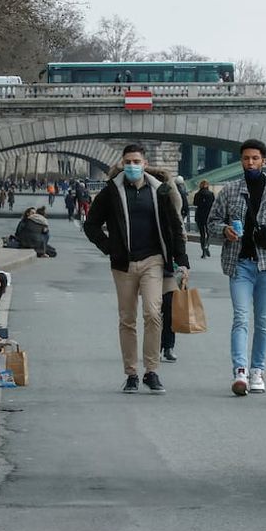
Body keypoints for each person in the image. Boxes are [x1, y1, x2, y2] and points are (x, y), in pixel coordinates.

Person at [84, 144, 190, 395]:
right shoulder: (111, 192)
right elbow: (91, 225)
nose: (132, 165)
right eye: (128, 161)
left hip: (153, 260)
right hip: (123, 264)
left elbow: (174, 226)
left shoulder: (160, 190)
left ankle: (151, 371)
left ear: (144, 164)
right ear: (122, 164)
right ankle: (131, 373)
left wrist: (182, 260)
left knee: (154, 314)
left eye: (136, 161)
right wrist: (110, 247)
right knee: (127, 319)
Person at [207, 139, 266, 396]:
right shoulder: (229, 191)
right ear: (241, 161)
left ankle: (258, 370)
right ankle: (240, 371)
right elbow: (212, 223)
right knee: (241, 318)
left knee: (264, 321)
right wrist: (224, 231)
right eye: (246, 158)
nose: (250, 162)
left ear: (264, 161)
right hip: (240, 264)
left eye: (255, 158)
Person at [193, 180, 215, 258]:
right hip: (209, 216)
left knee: (202, 234)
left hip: (200, 216)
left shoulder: (197, 194)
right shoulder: (211, 194)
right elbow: (214, 204)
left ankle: (203, 251)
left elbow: (195, 203)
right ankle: (207, 246)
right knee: (209, 233)